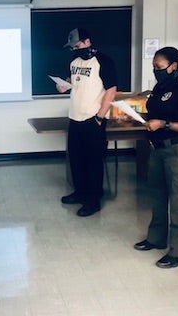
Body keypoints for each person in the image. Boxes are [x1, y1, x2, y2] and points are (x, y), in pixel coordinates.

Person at [134, 46, 178, 268]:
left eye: (159, 67)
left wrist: (165, 124)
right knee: (157, 196)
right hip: (158, 149)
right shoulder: (159, 88)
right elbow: (156, 113)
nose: (156, 70)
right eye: (154, 67)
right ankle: (156, 238)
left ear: (173, 66)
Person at [57, 28, 118, 217]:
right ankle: (80, 193)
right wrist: (63, 86)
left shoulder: (103, 61)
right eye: (72, 47)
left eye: (78, 45)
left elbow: (112, 90)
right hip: (74, 117)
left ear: (88, 42)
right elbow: (73, 81)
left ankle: (93, 201)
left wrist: (100, 115)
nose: (75, 49)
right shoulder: (74, 61)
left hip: (93, 119)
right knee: (76, 159)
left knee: (93, 162)